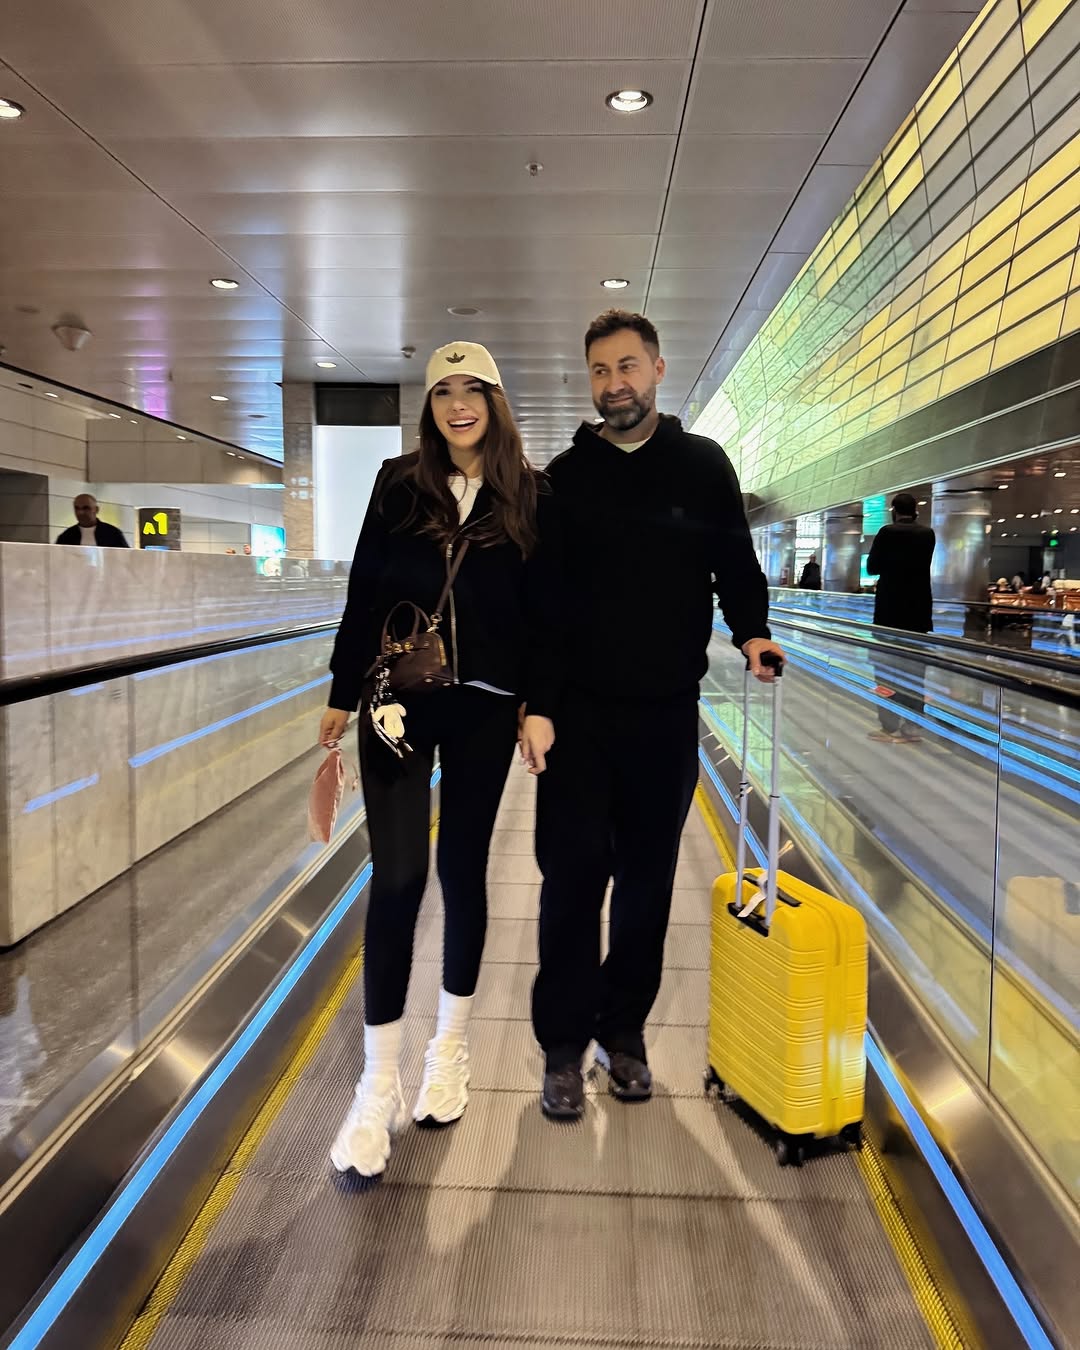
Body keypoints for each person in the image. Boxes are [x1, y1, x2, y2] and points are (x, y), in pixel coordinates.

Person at [527, 309, 785, 1120]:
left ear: (659, 369)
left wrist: (752, 632)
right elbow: (545, 609)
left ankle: (624, 1033)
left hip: (666, 715)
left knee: (646, 884)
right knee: (571, 884)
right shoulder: (563, 478)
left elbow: (734, 564)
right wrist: (538, 708)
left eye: (628, 366)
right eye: (601, 371)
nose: (616, 385)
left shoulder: (702, 465)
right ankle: (562, 1047)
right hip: (577, 721)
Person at [319, 341, 560, 1178]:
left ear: (495, 401)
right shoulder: (398, 483)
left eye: (473, 390)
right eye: (443, 392)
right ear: (429, 407)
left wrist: (540, 704)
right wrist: (341, 691)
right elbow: (364, 591)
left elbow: (546, 614)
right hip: (397, 700)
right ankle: (376, 1082)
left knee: (461, 871)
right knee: (396, 879)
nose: (458, 404)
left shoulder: (532, 494)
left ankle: (449, 1050)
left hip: (485, 708)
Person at [866, 492, 936, 744]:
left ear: (894, 511)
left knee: (885, 669)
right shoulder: (928, 534)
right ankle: (912, 726)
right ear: (916, 510)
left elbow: (872, 567)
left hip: (889, 611)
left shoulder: (887, 532)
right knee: (915, 671)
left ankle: (889, 726)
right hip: (918, 613)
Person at [55, 495, 128, 547]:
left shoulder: (112, 534)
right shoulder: (66, 536)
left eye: (86, 508)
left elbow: (125, 558)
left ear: (96, 510)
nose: (81, 512)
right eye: (77, 508)